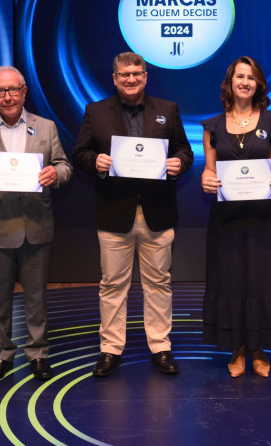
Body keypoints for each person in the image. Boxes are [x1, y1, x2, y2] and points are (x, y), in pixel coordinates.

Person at [72, 51, 193, 377]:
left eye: (137, 73)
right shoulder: (95, 112)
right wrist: (94, 162)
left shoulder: (167, 110)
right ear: (115, 78)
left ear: (145, 76)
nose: (131, 79)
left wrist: (179, 163)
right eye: (124, 74)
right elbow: (79, 152)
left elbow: (185, 149)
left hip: (158, 212)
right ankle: (110, 349)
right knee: (112, 285)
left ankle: (160, 347)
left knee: (159, 284)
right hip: (114, 214)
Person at [0, 66, 72, 382]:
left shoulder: (46, 127)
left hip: (36, 225)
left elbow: (64, 166)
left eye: (13, 90)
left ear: (24, 92)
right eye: (0, 91)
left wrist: (56, 175)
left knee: (37, 297)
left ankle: (38, 353)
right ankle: (2, 355)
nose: (7, 97)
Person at [200, 56, 271, 378]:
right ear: (230, 82)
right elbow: (210, 170)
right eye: (240, 76)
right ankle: (237, 348)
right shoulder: (212, 125)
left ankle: (258, 348)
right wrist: (206, 180)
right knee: (231, 279)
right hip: (226, 220)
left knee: (260, 279)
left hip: (263, 218)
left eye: (251, 77)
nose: (245, 82)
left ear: (259, 84)